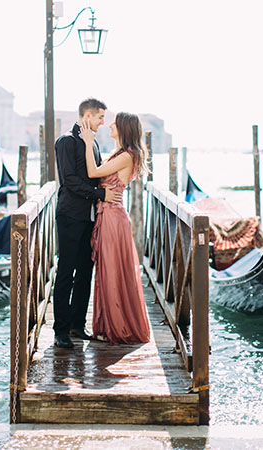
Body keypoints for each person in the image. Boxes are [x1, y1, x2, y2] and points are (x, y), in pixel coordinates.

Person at [53, 98, 122, 349]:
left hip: (90, 217)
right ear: (87, 116)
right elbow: (69, 180)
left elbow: (97, 174)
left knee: (85, 272)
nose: (103, 122)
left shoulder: (92, 144)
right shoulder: (66, 142)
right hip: (70, 215)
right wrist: (101, 195)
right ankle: (60, 330)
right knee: (66, 272)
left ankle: (76, 324)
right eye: (101, 117)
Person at [80, 112, 150, 345]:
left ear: (123, 128)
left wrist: (89, 143)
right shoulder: (119, 154)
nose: (109, 124)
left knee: (112, 271)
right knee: (107, 270)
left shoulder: (126, 156)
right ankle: (107, 324)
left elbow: (92, 173)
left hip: (113, 218)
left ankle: (118, 326)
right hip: (109, 216)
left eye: (114, 122)